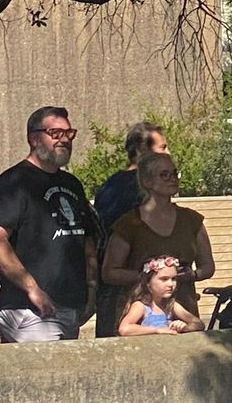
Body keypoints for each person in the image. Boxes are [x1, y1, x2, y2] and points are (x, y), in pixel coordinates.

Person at [0, 107, 98, 343]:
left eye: (69, 133)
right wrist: (32, 288)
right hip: (30, 311)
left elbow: (86, 241)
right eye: (55, 133)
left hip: (69, 308)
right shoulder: (14, 182)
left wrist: (91, 290)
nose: (64, 139)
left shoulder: (72, 184)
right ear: (33, 139)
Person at [100, 152, 215, 336]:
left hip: (183, 315)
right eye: (164, 175)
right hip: (141, 318)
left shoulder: (191, 220)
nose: (172, 179)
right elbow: (109, 272)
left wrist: (191, 275)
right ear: (147, 181)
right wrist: (148, 277)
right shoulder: (129, 224)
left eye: (174, 173)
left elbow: (208, 267)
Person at [91, 121, 166, 236]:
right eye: (162, 148)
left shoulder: (108, 186)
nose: (168, 153)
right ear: (142, 150)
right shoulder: (149, 186)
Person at [116, 256, 203, 335]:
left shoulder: (170, 305)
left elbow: (199, 324)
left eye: (173, 279)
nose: (170, 284)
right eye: (164, 279)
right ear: (148, 283)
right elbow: (124, 329)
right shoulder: (142, 306)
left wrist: (184, 327)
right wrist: (157, 330)